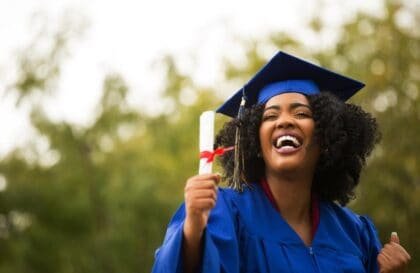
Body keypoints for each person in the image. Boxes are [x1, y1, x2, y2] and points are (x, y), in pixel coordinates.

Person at [151, 51, 411, 272]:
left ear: (327, 134)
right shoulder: (224, 212)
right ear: (255, 139)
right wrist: (194, 228)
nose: (285, 121)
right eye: (270, 116)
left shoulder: (355, 233)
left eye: (301, 113)